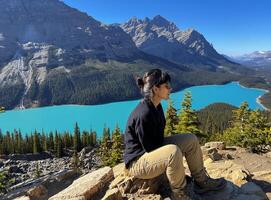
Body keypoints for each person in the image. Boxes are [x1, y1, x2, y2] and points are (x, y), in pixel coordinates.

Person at [123, 68, 226, 200]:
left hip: (152, 149)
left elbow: (156, 141)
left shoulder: (156, 106)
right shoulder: (144, 114)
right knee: (173, 152)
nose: (170, 89)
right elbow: (149, 148)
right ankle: (180, 194)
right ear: (155, 89)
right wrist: (175, 159)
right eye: (166, 86)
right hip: (137, 162)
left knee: (190, 139)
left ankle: (202, 182)